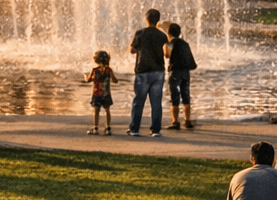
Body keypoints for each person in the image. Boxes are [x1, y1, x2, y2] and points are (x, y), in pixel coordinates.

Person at [127, 8, 168, 137]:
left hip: (143, 70)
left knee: (139, 101)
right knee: (156, 102)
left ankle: (135, 129)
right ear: (157, 21)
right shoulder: (162, 35)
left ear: (146, 19)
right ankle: (155, 130)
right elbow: (166, 52)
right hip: (158, 71)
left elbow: (132, 50)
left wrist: (132, 44)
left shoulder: (140, 33)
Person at [165, 22, 198, 131]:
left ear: (168, 33)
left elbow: (166, 55)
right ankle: (187, 120)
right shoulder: (185, 43)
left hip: (175, 72)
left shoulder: (170, 43)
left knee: (174, 97)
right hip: (185, 72)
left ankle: (175, 122)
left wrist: (165, 45)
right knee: (186, 95)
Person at [82, 50, 118, 136]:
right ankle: (108, 128)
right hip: (106, 94)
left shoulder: (95, 70)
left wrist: (84, 76)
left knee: (96, 111)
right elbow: (115, 80)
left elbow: (88, 80)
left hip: (96, 94)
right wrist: (113, 78)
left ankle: (95, 128)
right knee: (107, 110)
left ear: (96, 60)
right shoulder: (109, 70)